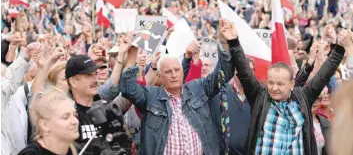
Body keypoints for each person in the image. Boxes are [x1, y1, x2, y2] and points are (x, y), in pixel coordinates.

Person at [120, 19, 238, 155]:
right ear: (159, 75)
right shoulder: (150, 96)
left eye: (177, 69)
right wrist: (132, 55)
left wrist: (225, 43)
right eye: (168, 72)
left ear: (182, 70)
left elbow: (224, 74)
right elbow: (128, 90)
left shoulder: (198, 88)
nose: (174, 75)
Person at [228, 27, 350, 155]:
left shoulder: (303, 97)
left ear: (292, 84)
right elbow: (244, 71)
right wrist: (234, 42)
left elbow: (324, 74)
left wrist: (340, 48)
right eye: (271, 82)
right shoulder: (260, 97)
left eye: (280, 84)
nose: (274, 88)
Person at [18, 87, 79, 155]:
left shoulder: (73, 150)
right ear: (44, 125)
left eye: (75, 115)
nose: (75, 121)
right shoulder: (31, 153)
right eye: (65, 117)